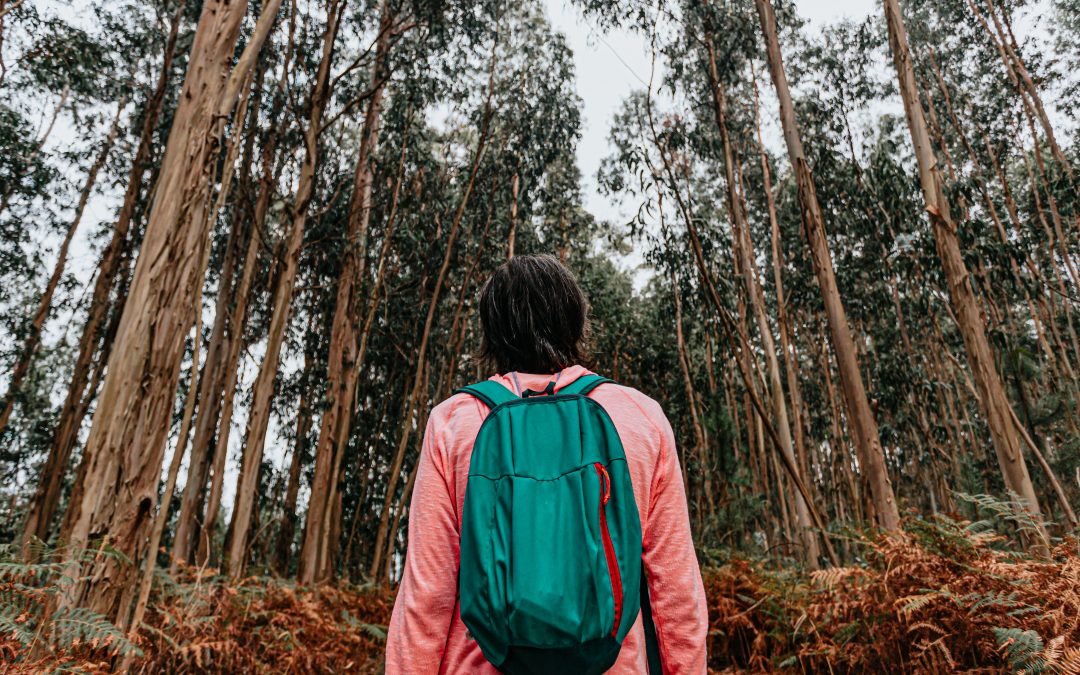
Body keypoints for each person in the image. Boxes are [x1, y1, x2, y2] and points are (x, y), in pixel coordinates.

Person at [386, 254, 708, 673]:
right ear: (575, 321)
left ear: (494, 330)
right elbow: (677, 593)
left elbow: (426, 596)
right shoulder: (640, 416)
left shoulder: (455, 420)